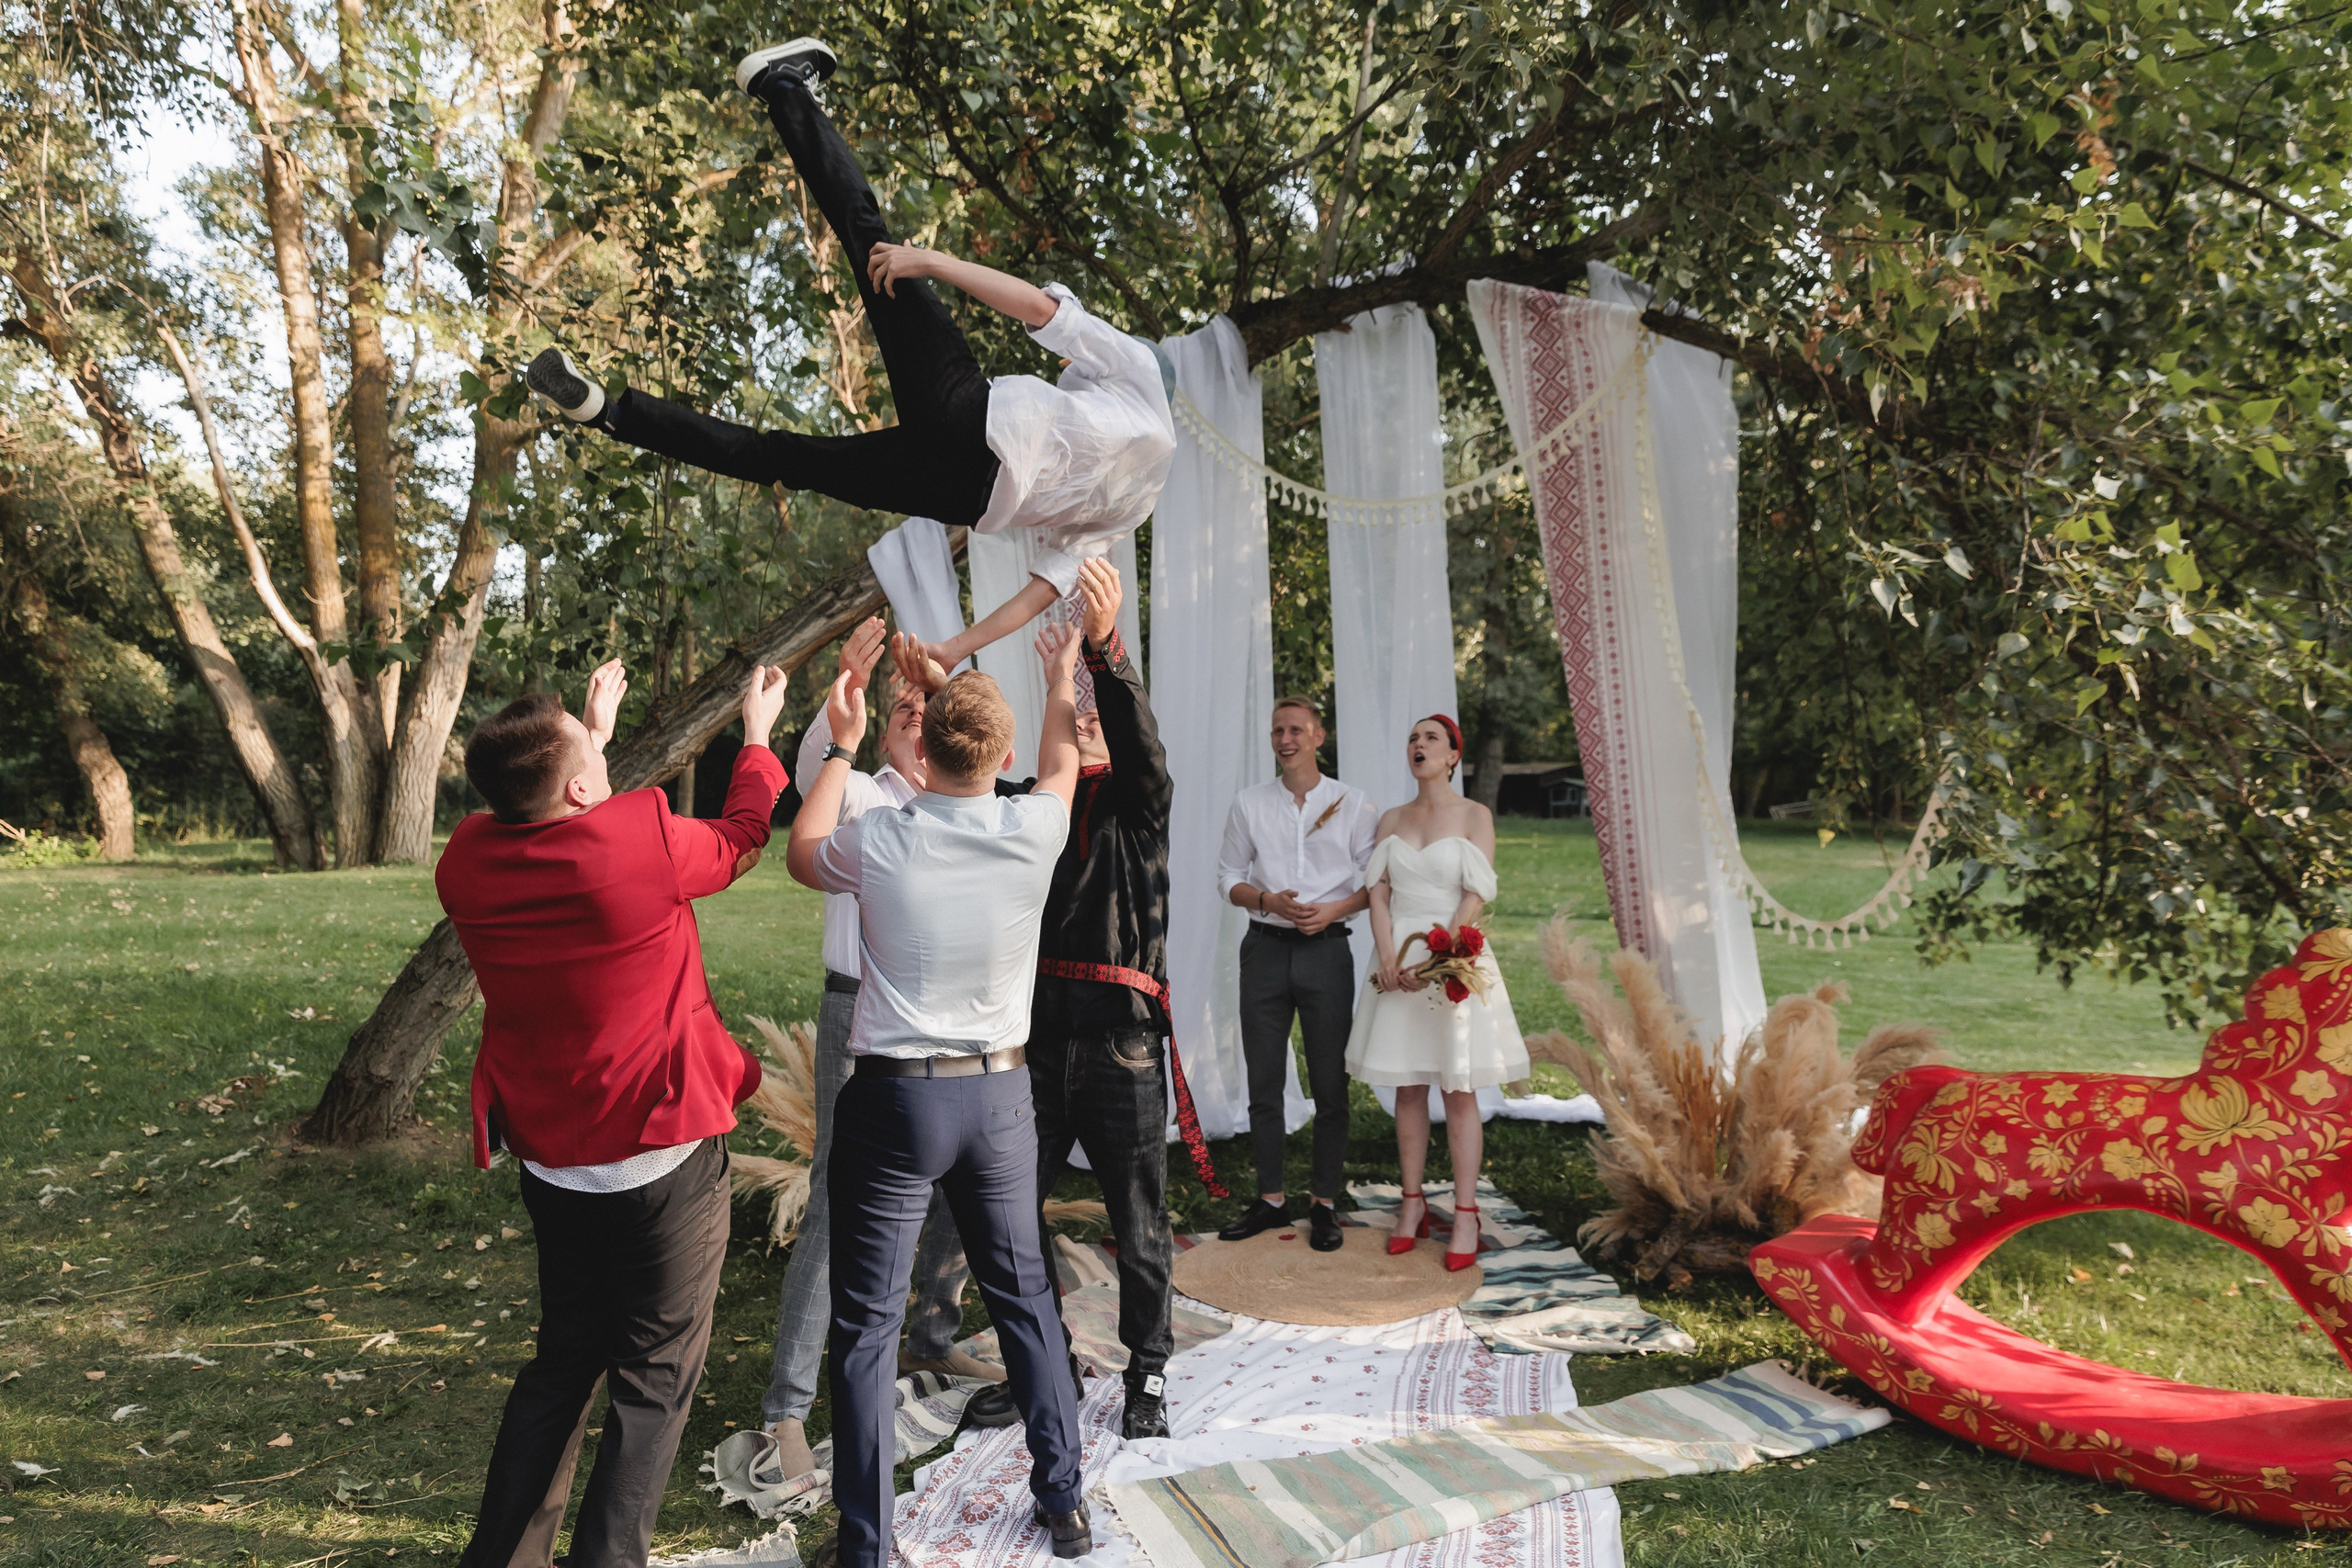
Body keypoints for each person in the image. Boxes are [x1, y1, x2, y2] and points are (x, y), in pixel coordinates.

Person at [526, 38, 1174, 667]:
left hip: (976, 418)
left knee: (871, 241)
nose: (1069, 371)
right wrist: (955, 648)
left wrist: (934, 262)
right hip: (955, 493)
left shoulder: (1139, 371)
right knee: (782, 459)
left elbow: (1040, 309)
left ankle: (781, 83)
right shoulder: (1130, 508)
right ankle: (609, 414)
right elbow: (1041, 591)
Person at [436, 658, 790, 1568]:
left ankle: (502, 1558)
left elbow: (578, 828)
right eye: (590, 750)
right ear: (586, 783)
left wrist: (590, 732)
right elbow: (741, 836)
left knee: (563, 1363)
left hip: (553, 1159)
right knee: (653, 1378)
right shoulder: (641, 839)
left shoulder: (467, 861)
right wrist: (755, 738)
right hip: (660, 1158)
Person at [786, 630, 1093, 1564]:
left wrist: (841, 744)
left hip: (895, 1103)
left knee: (865, 1326)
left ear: (919, 751)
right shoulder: (1035, 827)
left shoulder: (878, 835)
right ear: (1000, 759)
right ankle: (1065, 1500)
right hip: (999, 1098)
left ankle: (866, 1545)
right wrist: (1055, 676)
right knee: (1024, 1301)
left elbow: (801, 850)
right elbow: (1066, 754)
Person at [956, 558, 1211, 1443]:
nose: (1093, 721)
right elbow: (960, 772)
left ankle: (1146, 1374)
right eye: (1080, 714)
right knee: (1011, 1214)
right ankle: (1046, 1362)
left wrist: (1104, 653)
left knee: (1138, 1221)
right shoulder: (1030, 809)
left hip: (1120, 1047)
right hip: (1034, 1045)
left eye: (1104, 715)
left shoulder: (1141, 804)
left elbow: (1138, 736)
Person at [754, 619, 1000, 1489]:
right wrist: (846, 696)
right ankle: (784, 1409)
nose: (909, 708)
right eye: (899, 704)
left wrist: (944, 678)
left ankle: (928, 1341)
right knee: (836, 1201)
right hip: (859, 1015)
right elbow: (808, 770)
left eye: (922, 704)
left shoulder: (970, 806)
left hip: (944, 1020)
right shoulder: (856, 794)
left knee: (948, 1190)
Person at [1345, 715, 1531, 1271]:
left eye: (1430, 738)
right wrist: (1389, 959)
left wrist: (1440, 955)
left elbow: (1476, 891)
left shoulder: (1475, 815)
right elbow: (1377, 893)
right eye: (1412, 738)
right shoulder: (1392, 819)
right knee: (1406, 1087)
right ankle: (1411, 1205)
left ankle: (1467, 1212)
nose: (1418, 745)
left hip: (1451, 960)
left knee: (1457, 1090)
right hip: (1397, 962)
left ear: (1453, 755)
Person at [1213, 696, 1378, 1250]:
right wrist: (1267, 900)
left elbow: (1376, 881)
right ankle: (1272, 1199)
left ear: (1318, 736)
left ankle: (1325, 1203)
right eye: (1277, 730)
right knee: (1264, 1081)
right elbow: (1228, 879)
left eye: (1296, 730)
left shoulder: (1353, 804)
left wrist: (1332, 910)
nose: (1285, 739)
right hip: (1263, 950)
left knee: (1331, 1083)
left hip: (1327, 951)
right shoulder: (1249, 803)